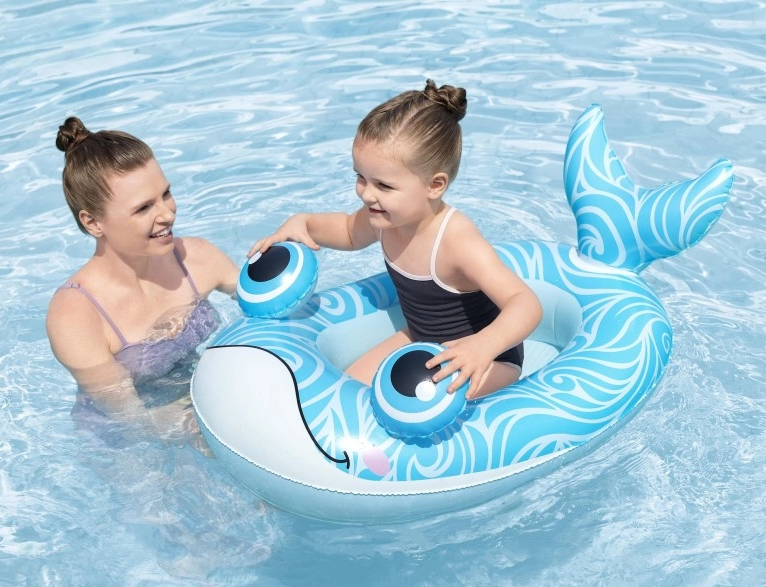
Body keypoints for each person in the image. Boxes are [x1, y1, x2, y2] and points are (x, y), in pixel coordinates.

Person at [249, 80, 542, 399]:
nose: (367, 194)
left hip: (485, 358)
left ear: (434, 185)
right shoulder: (384, 219)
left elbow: (525, 303)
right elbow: (347, 231)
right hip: (421, 337)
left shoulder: (457, 241)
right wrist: (303, 223)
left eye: (384, 186)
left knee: (421, 406)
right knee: (347, 391)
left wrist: (482, 346)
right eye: (360, 177)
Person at [46, 117, 238, 445]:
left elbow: (267, 308)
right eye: (144, 208)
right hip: (125, 440)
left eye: (166, 194)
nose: (167, 214)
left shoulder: (196, 258)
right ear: (93, 222)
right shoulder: (75, 314)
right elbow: (133, 417)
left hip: (198, 397)